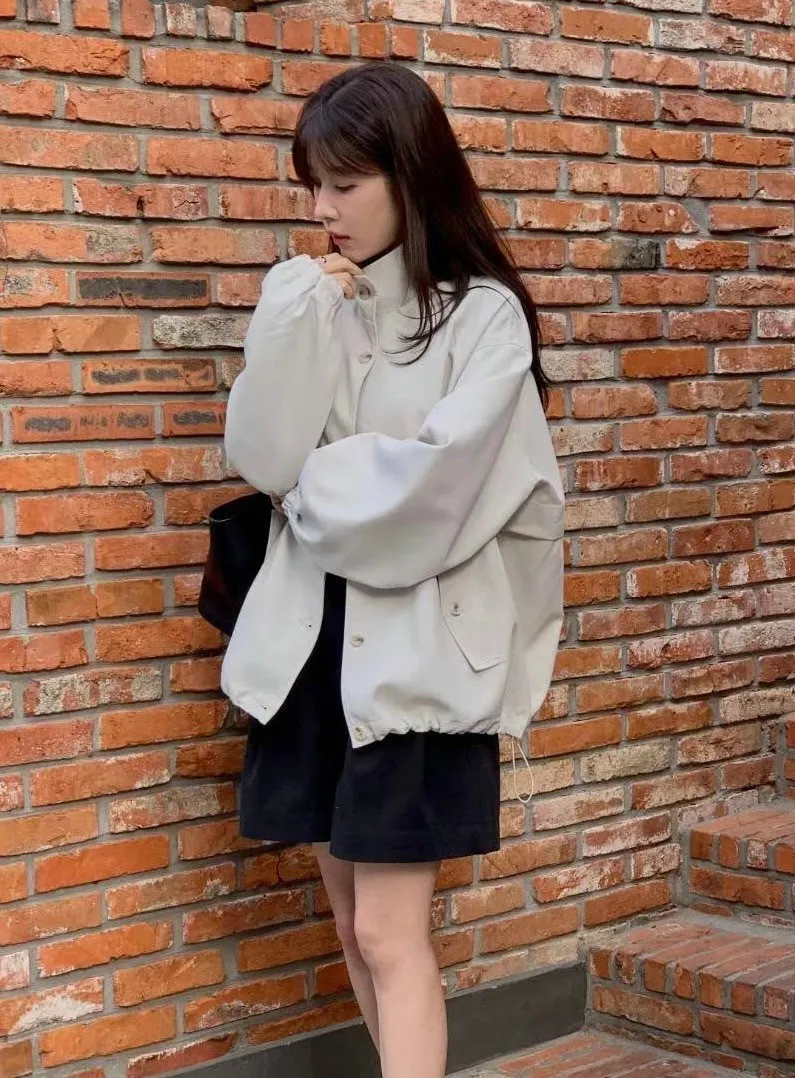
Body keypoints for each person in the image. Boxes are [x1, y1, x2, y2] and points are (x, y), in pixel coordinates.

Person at [221, 60, 565, 1078]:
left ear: (410, 175)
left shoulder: (483, 318)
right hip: (312, 647)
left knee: (388, 931)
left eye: (344, 184)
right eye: (312, 186)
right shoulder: (323, 305)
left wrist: (309, 491)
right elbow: (265, 459)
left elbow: (428, 494)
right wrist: (287, 321)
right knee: (348, 919)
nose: (322, 210)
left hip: (417, 662)